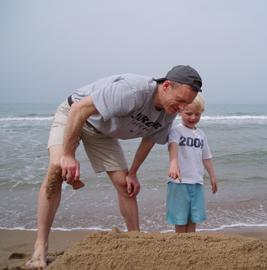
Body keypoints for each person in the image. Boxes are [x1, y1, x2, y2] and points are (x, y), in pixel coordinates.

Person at [26, 65, 203, 268]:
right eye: (180, 101)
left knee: (125, 184)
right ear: (166, 86)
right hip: (73, 115)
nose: (181, 108)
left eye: (186, 104)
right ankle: (40, 246)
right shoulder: (133, 90)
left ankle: (135, 241)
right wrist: (68, 154)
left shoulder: (168, 112)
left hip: (103, 132)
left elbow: (149, 141)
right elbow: (79, 109)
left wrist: (133, 173)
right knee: (56, 168)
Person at [167, 94, 217, 233]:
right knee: (180, 218)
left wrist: (212, 176)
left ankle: (191, 244)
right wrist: (173, 164)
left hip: (197, 182)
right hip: (179, 182)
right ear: (180, 111)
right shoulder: (176, 131)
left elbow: (206, 157)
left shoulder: (201, 134)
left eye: (197, 114)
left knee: (194, 218)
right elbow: (173, 146)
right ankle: (181, 243)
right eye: (188, 113)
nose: (193, 118)